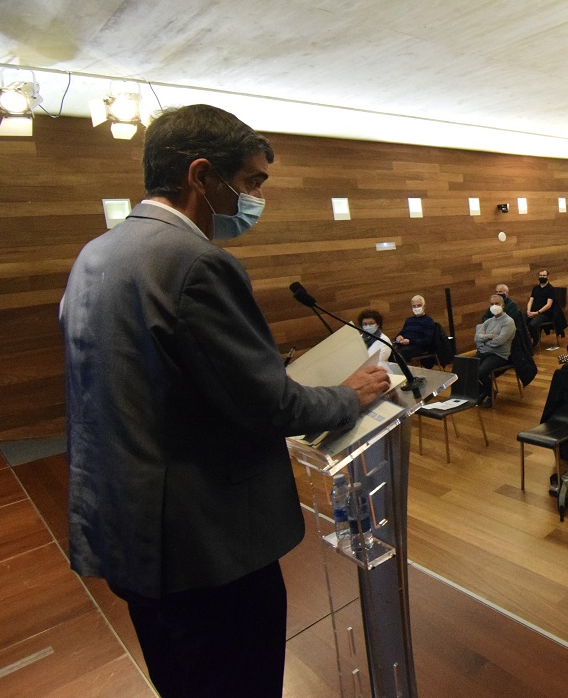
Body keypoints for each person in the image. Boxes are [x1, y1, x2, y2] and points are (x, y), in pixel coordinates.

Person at [60, 104, 392, 698]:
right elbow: (272, 409)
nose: (255, 198)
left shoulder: (95, 255)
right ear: (202, 175)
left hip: (127, 532)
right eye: (250, 182)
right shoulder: (196, 263)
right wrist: (349, 395)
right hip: (205, 548)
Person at [475, 294, 516, 407]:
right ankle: (483, 392)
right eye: (492, 304)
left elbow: (499, 341)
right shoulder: (489, 321)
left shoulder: (508, 321)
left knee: (481, 372)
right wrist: (491, 336)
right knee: (469, 368)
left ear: (502, 305)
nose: (494, 306)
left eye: (497, 304)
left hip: (499, 355)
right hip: (485, 352)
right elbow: (477, 337)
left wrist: (485, 339)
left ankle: (490, 393)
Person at [392, 295, 441, 362]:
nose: (416, 308)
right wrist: (398, 337)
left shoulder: (428, 321)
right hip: (404, 345)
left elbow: (427, 341)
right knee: (390, 350)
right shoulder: (409, 320)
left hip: (419, 347)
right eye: (414, 306)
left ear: (424, 306)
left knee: (400, 353)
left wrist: (410, 342)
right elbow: (401, 333)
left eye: (419, 305)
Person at [525, 267, 558, 343]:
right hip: (532, 312)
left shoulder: (550, 289)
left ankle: (535, 340)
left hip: (544, 314)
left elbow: (548, 305)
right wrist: (528, 311)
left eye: (544, 275)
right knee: (522, 320)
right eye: (540, 275)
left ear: (547, 277)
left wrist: (537, 313)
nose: (542, 277)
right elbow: (530, 301)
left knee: (533, 324)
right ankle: (526, 342)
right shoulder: (535, 288)